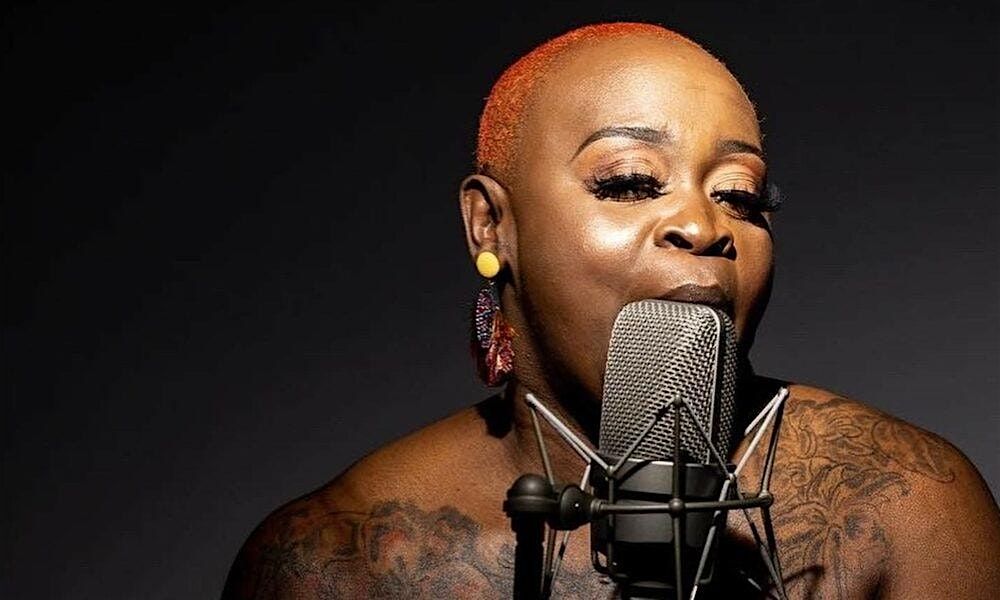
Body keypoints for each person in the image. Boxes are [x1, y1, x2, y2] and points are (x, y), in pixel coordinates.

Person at [221, 22, 1000, 599]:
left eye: (740, 195)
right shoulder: (335, 560)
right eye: (629, 183)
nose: (702, 224)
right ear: (490, 225)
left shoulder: (905, 503)